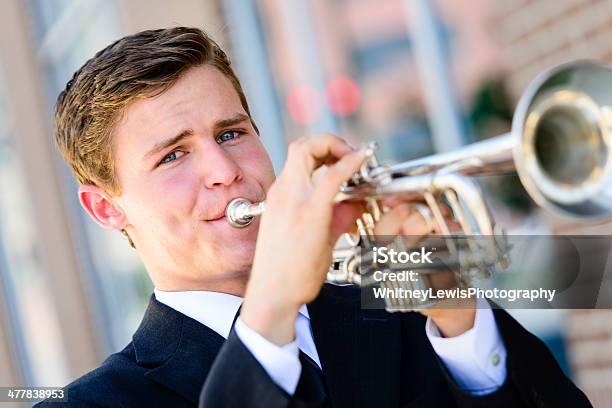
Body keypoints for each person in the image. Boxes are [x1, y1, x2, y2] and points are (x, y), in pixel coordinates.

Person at [37, 27, 590, 407]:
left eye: (231, 133)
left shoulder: (401, 312)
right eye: (173, 155)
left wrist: (461, 322)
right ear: (106, 207)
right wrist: (271, 306)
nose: (225, 171)